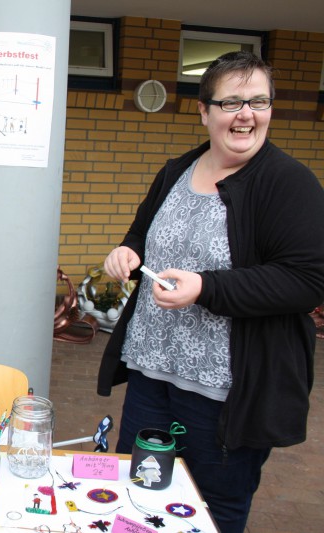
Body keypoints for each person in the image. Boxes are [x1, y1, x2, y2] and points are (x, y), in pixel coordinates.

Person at [97, 51, 324, 533]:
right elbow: (142, 234)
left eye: (259, 101)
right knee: (135, 496)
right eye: (231, 102)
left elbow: (308, 280)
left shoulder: (289, 183)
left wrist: (206, 287)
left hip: (224, 394)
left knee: (211, 510)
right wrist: (127, 252)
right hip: (151, 375)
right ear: (204, 111)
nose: (247, 115)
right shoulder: (176, 170)